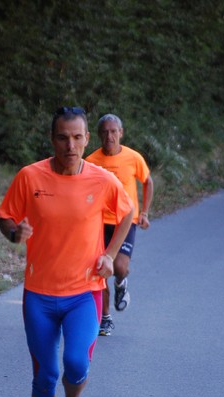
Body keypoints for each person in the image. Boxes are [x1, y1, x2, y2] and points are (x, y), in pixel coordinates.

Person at [0, 107, 133, 397]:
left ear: (87, 139)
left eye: (77, 137)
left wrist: (110, 255)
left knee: (76, 364)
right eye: (62, 137)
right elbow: (6, 216)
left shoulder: (102, 180)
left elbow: (126, 213)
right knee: (45, 376)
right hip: (40, 295)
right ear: (52, 139)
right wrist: (15, 233)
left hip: (83, 292)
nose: (70, 145)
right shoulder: (30, 176)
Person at [86, 114, 154, 335]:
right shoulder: (91, 161)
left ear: (121, 133)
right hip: (98, 222)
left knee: (120, 267)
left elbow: (147, 181)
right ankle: (105, 318)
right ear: (98, 135)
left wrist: (144, 212)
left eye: (114, 131)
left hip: (126, 221)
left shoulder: (133, 158)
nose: (109, 136)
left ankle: (121, 284)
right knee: (101, 268)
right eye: (105, 132)